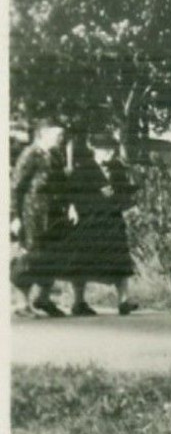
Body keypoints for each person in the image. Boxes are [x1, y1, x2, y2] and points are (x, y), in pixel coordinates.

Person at [61, 134, 139, 316]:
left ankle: (124, 301)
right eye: (105, 150)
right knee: (81, 262)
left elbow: (123, 191)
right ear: (94, 150)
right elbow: (71, 192)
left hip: (112, 221)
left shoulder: (117, 169)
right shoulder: (84, 169)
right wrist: (72, 208)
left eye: (112, 150)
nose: (109, 154)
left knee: (120, 260)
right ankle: (79, 302)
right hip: (89, 220)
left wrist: (130, 206)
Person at [10, 125, 70, 317]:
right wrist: (14, 217)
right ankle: (22, 304)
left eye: (62, 135)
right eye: (57, 135)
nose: (61, 138)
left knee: (52, 256)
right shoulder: (31, 153)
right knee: (31, 256)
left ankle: (43, 298)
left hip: (53, 213)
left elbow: (63, 184)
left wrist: (69, 205)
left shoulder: (56, 156)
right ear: (43, 135)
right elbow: (16, 186)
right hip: (32, 213)